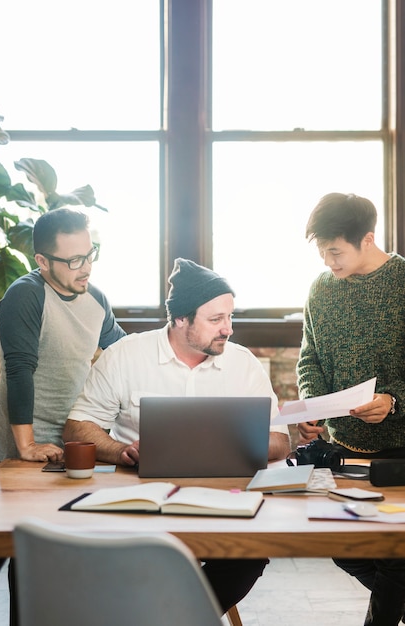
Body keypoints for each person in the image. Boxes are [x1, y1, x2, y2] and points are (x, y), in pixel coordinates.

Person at [63, 257, 290, 614]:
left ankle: (171, 619)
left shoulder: (242, 363)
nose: (228, 329)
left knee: (248, 556)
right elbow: (79, 426)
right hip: (138, 504)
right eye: (216, 320)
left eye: (230, 317)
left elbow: (279, 440)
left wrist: (215, 447)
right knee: (109, 559)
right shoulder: (126, 355)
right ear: (180, 319)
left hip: (220, 504)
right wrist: (120, 450)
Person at [0, 207, 125, 626]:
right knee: (31, 552)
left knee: (80, 545)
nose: (85, 267)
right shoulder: (25, 295)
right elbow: (19, 369)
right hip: (29, 442)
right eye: (73, 260)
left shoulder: (96, 298)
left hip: (77, 441)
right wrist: (26, 446)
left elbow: (120, 355)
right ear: (42, 261)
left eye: (90, 254)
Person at [296, 192, 405, 626]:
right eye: (322, 251)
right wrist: (312, 405)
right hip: (345, 449)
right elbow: (311, 359)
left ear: (368, 238)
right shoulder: (321, 290)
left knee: (397, 555)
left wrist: (394, 402)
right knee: (344, 546)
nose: (327, 262)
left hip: (399, 449)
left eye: (335, 251)